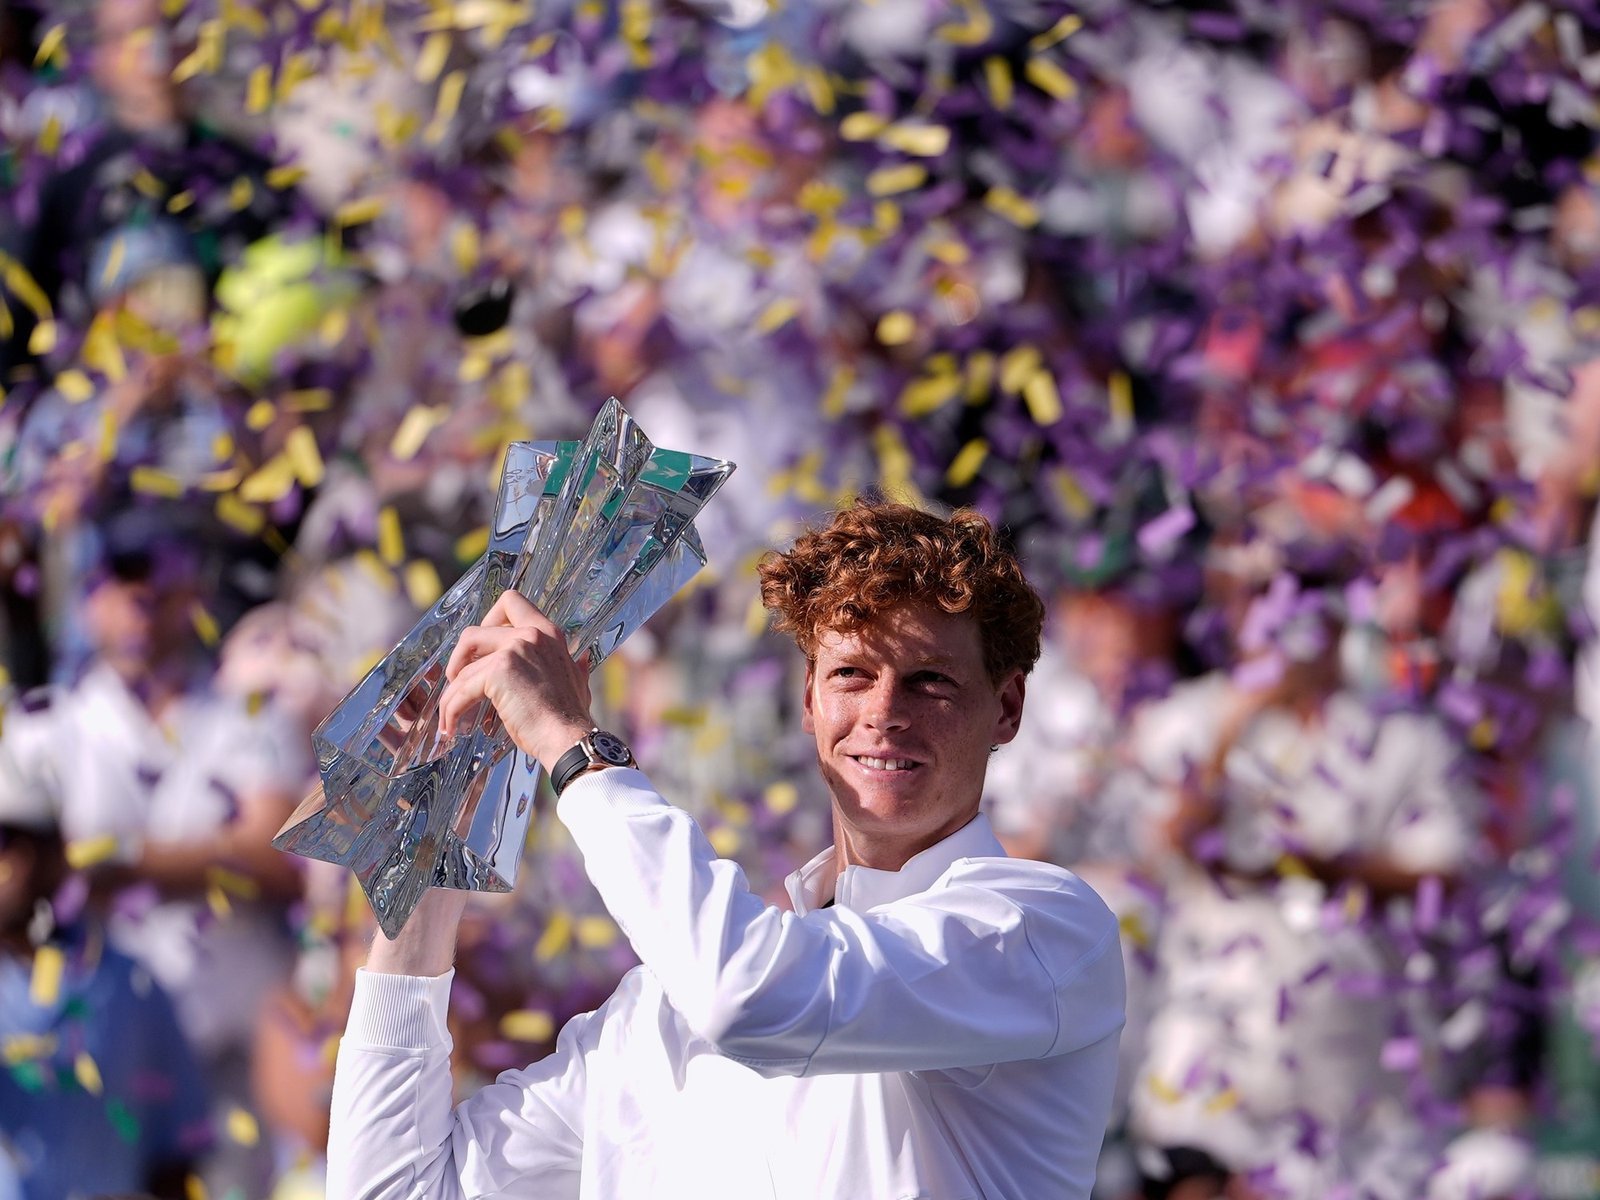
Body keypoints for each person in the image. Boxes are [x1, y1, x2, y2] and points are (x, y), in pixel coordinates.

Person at [326, 498, 1126, 1199]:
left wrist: (571, 746)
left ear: (1008, 708)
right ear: (809, 702)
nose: (884, 712)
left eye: (930, 681)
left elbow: (750, 997)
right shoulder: (662, 1007)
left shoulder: (1045, 930)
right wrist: (439, 824)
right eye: (852, 675)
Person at [0, 732, 211, 1200]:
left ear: (57, 852)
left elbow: (176, 1159)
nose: (11, 862)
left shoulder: (133, 985)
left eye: (16, 838)